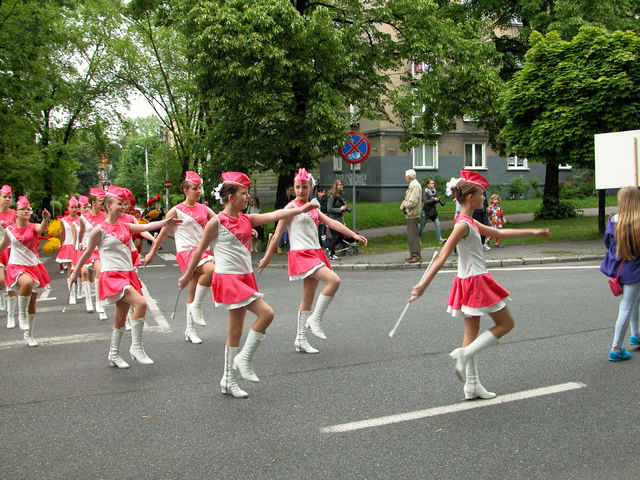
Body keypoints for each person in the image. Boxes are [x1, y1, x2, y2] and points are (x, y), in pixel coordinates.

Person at [409, 170, 550, 400]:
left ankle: (471, 385)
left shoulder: (467, 221)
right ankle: (464, 355)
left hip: (467, 281)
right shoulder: (462, 226)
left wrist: (533, 231)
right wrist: (423, 285)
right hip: (476, 281)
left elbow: (496, 232)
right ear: (470, 198)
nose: (484, 198)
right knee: (506, 323)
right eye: (481, 195)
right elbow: (443, 255)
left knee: (471, 332)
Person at [178, 171, 318, 398]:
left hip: (244, 277)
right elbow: (199, 250)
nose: (247, 197)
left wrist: (300, 209)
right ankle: (243, 359)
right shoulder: (216, 222)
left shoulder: (246, 219)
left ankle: (227, 380)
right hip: (229, 279)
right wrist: (186, 276)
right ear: (231, 197)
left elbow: (274, 215)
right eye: (243, 193)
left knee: (234, 332)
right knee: (267, 314)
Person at [70, 186, 182, 368]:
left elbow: (146, 226)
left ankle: (113, 354)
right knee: (141, 303)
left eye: (124, 204)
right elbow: (87, 251)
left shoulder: (126, 225)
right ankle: (136, 347)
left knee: (121, 316)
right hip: (112, 275)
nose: (123, 207)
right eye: (119, 204)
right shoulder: (99, 230)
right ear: (107, 206)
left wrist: (165, 222)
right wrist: (75, 272)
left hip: (127, 273)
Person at [259, 168, 367, 352]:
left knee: (307, 298)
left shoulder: (314, 206)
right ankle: (315, 319)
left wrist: (353, 235)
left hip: (315, 253)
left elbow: (331, 223)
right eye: (298, 187)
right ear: (294, 188)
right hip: (302, 255)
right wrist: (267, 256)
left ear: (311, 188)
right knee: (334, 280)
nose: (301, 190)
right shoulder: (291, 208)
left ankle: (300, 339)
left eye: (305, 187)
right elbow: (277, 234)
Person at [145, 171, 216, 344]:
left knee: (192, 289)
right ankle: (196, 308)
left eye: (199, 188)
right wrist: (152, 253)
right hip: (186, 252)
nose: (198, 191)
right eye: (194, 188)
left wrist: (242, 230)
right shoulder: (176, 211)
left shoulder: (204, 209)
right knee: (212, 270)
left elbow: (221, 222)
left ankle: (189, 330)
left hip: (202, 251)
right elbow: (163, 234)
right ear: (185, 190)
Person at [0, 196, 51, 346]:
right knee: (27, 283)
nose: (26, 211)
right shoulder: (9, 230)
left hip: (33, 265)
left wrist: (45, 219)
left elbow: (41, 229)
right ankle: (20, 315)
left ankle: (29, 335)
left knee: (32, 303)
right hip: (16, 266)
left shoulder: (33, 227)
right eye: (22, 209)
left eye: (28, 209)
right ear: (16, 212)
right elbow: (3, 245)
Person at [600, 186, 640, 362]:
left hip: (619, 269)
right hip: (635, 270)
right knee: (627, 306)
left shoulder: (614, 221)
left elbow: (608, 244)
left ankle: (636, 335)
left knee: (633, 302)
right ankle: (616, 348)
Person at [76, 188, 108, 320]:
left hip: (99, 249)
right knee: (85, 274)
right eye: (101, 201)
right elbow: (82, 232)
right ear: (93, 202)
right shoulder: (84, 218)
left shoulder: (105, 216)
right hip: (87, 248)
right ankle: (88, 300)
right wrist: (79, 243)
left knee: (100, 272)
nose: (103, 203)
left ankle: (99, 302)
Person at [56, 197, 81, 305]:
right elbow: (62, 233)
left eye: (76, 207)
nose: (74, 209)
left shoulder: (81, 219)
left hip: (79, 245)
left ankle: (80, 289)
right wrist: (61, 244)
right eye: (72, 207)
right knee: (71, 269)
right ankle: (72, 294)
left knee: (80, 269)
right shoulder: (63, 220)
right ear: (68, 208)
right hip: (67, 245)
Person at [0, 185, 16, 328]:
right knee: (1, 280)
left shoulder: (14, 214)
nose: (7, 199)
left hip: (12, 251)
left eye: (9, 197)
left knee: (11, 284)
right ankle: (1, 296)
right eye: (5, 196)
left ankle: (10, 316)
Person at [401, 169, 422, 263]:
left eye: (406, 176)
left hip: (412, 214)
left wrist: (404, 204)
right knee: (411, 236)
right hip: (410, 214)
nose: (405, 178)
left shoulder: (415, 186)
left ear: (409, 177)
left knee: (413, 235)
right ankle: (413, 254)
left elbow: (412, 202)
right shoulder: (413, 185)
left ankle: (415, 255)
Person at [326, 179, 349, 261]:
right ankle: (332, 254)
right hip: (332, 219)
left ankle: (330, 249)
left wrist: (344, 210)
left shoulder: (340, 196)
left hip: (338, 218)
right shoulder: (332, 196)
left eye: (342, 184)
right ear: (336, 186)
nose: (341, 186)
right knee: (335, 236)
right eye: (339, 184)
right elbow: (329, 209)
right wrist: (340, 209)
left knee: (341, 235)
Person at [418, 178, 445, 244]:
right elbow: (426, 201)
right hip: (426, 211)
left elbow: (434, 201)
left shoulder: (434, 191)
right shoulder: (425, 192)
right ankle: (418, 238)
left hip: (433, 211)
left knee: (437, 224)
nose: (433, 185)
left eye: (434, 183)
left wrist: (438, 200)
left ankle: (440, 239)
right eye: (432, 183)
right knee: (422, 226)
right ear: (428, 185)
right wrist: (434, 200)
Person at [275, 185, 294, 254]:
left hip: (290, 216)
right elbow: (276, 206)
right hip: (283, 216)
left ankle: (288, 249)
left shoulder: (292, 198)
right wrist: (283, 209)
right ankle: (279, 246)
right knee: (283, 232)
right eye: (290, 190)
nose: (291, 192)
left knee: (289, 232)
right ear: (287, 190)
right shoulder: (281, 198)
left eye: (292, 190)